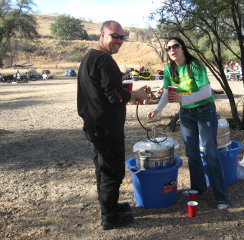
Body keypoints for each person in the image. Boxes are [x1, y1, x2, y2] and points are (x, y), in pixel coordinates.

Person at [77, 20, 147, 230]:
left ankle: (110, 208)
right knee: (112, 171)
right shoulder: (103, 59)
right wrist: (135, 94)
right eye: (114, 36)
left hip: (95, 125)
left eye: (121, 37)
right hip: (106, 127)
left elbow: (106, 91)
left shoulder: (90, 57)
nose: (119, 41)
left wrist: (124, 93)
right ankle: (110, 218)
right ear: (102, 35)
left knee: (102, 169)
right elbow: (114, 95)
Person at [147, 37, 229, 210]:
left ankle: (221, 196)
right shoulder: (170, 69)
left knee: (210, 153)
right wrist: (158, 110)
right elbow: (168, 92)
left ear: (182, 48)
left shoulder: (195, 65)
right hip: (186, 114)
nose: (172, 50)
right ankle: (198, 188)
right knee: (191, 153)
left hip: (205, 111)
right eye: (168, 48)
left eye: (175, 46)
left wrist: (183, 99)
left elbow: (206, 91)